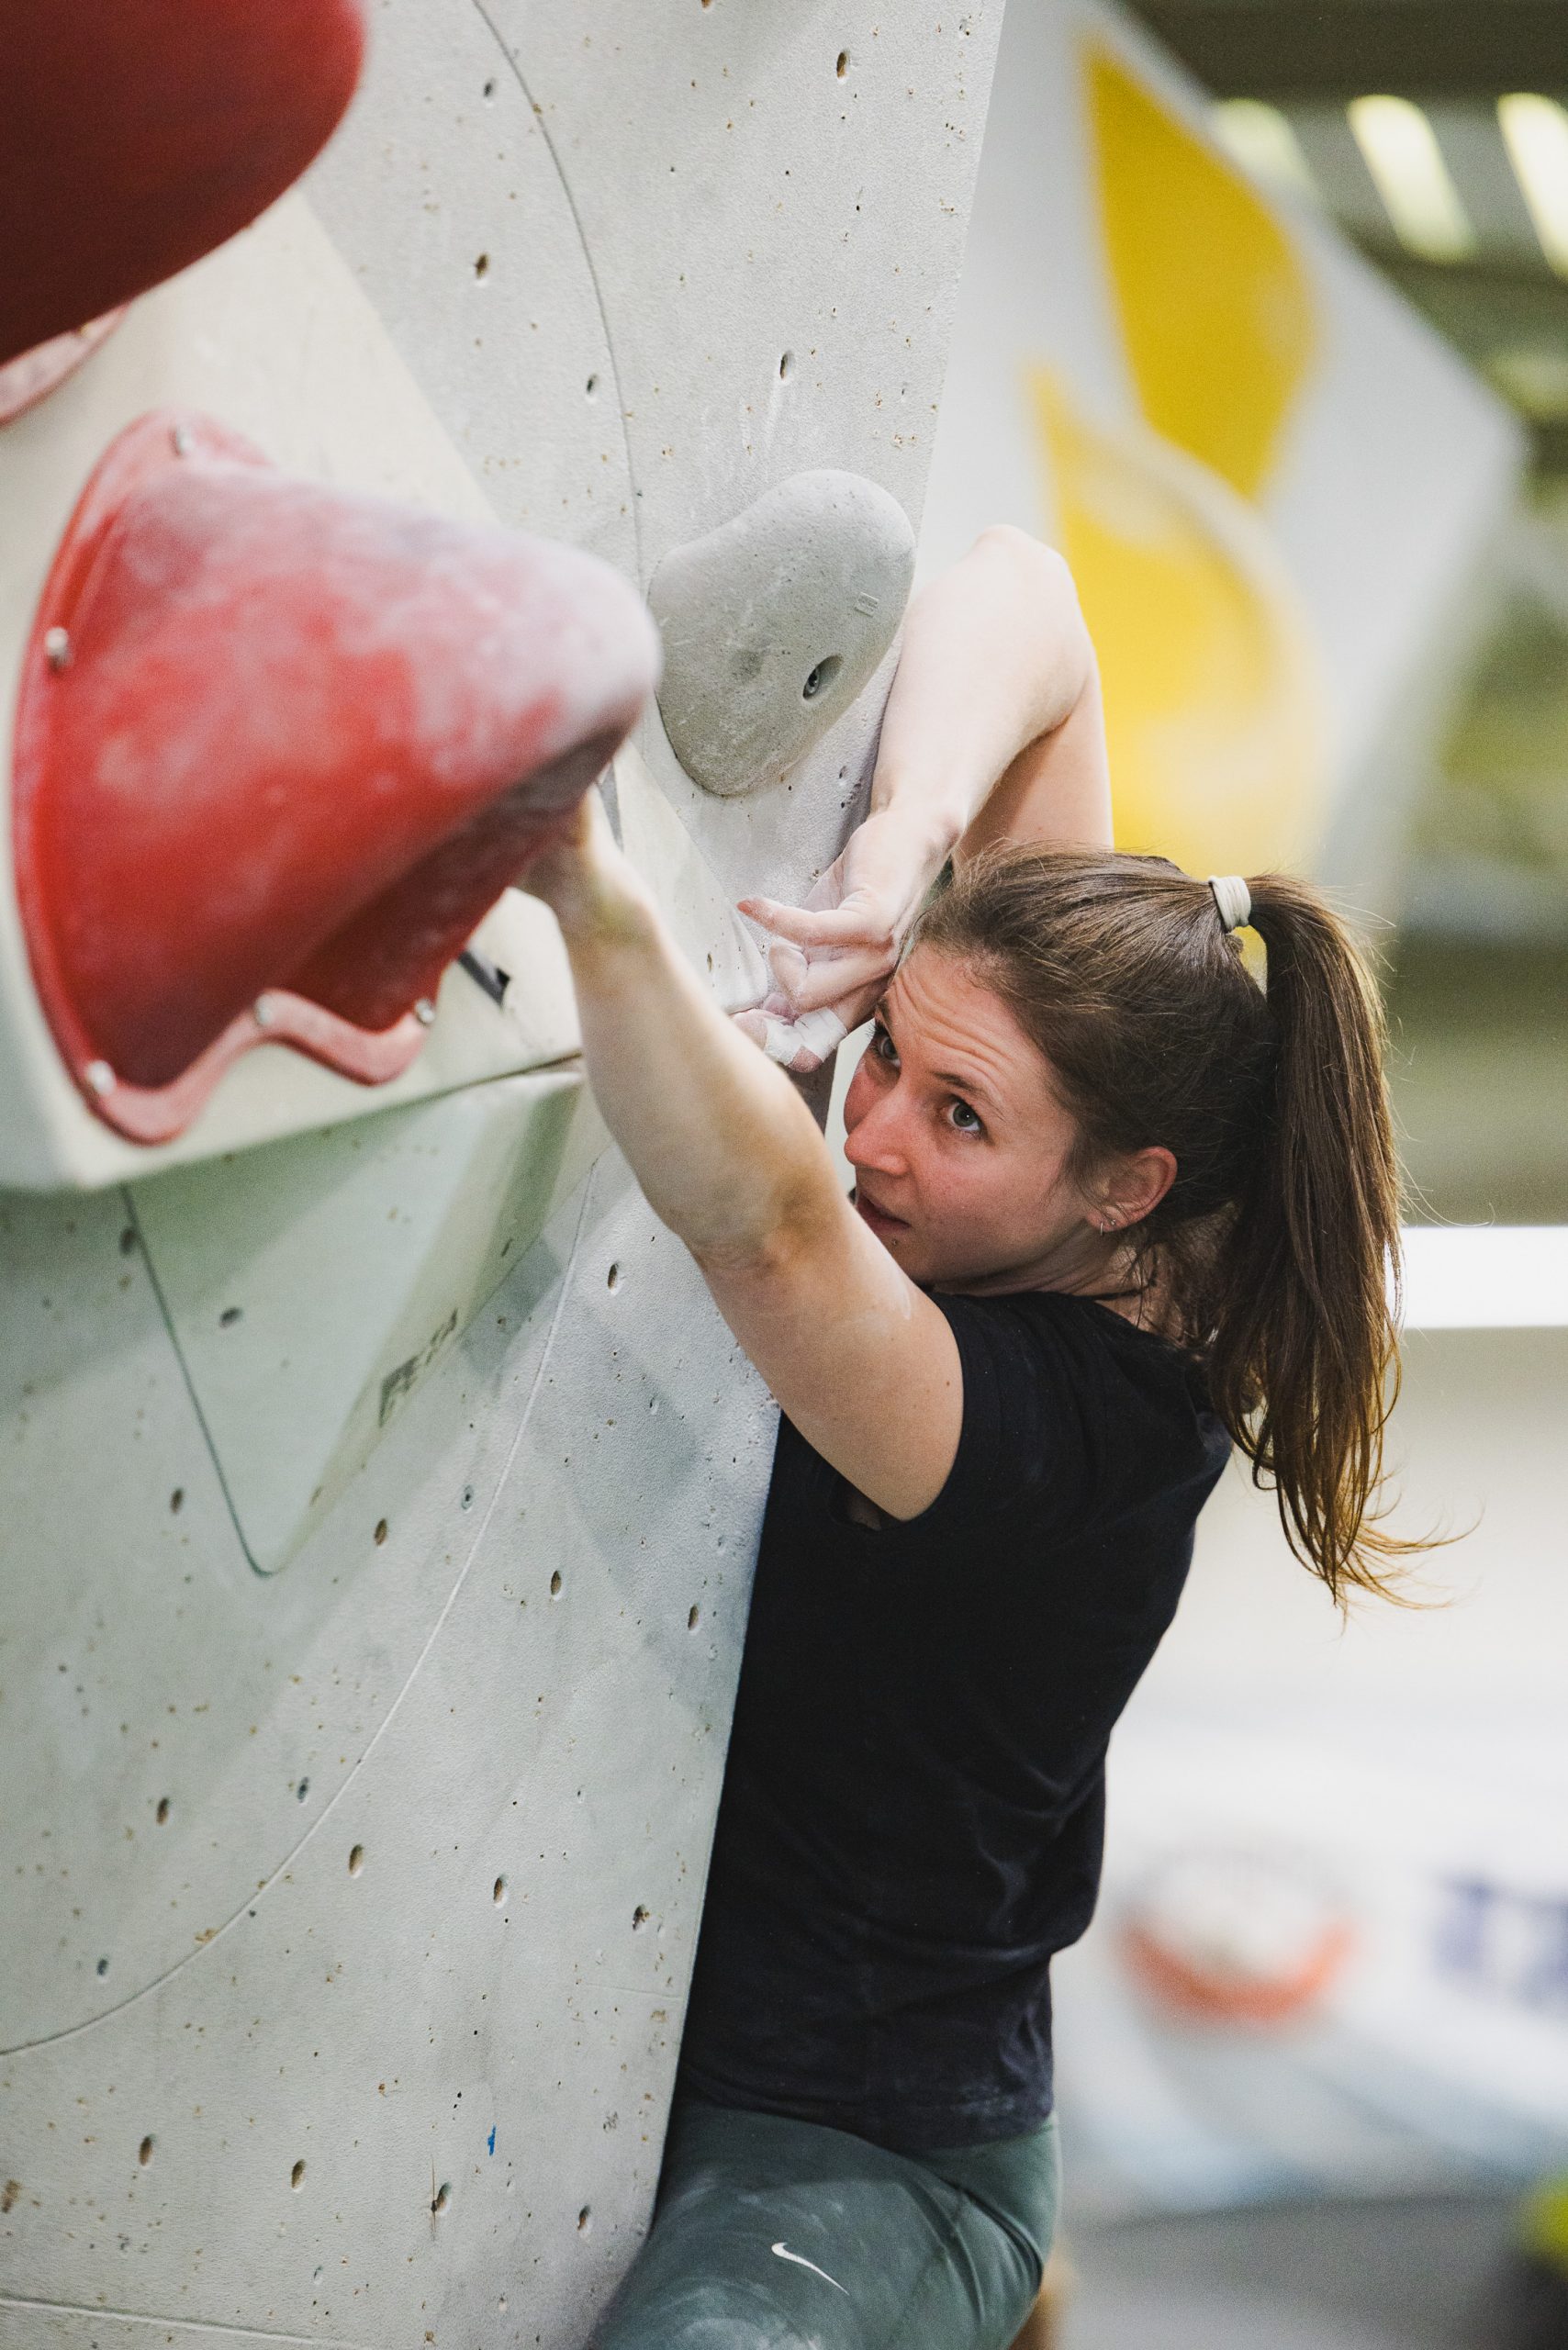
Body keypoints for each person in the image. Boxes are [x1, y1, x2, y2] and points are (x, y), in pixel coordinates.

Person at [519, 527, 1417, 2350]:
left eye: (958, 1116)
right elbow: (1033, 601)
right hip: (686, 2045)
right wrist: (911, 841)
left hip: (872, 2150)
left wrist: (587, 895)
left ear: (1124, 1188)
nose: (875, 1136)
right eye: (889, 1060)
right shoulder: (1087, 1126)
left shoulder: (1071, 1436)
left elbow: (772, 1230)